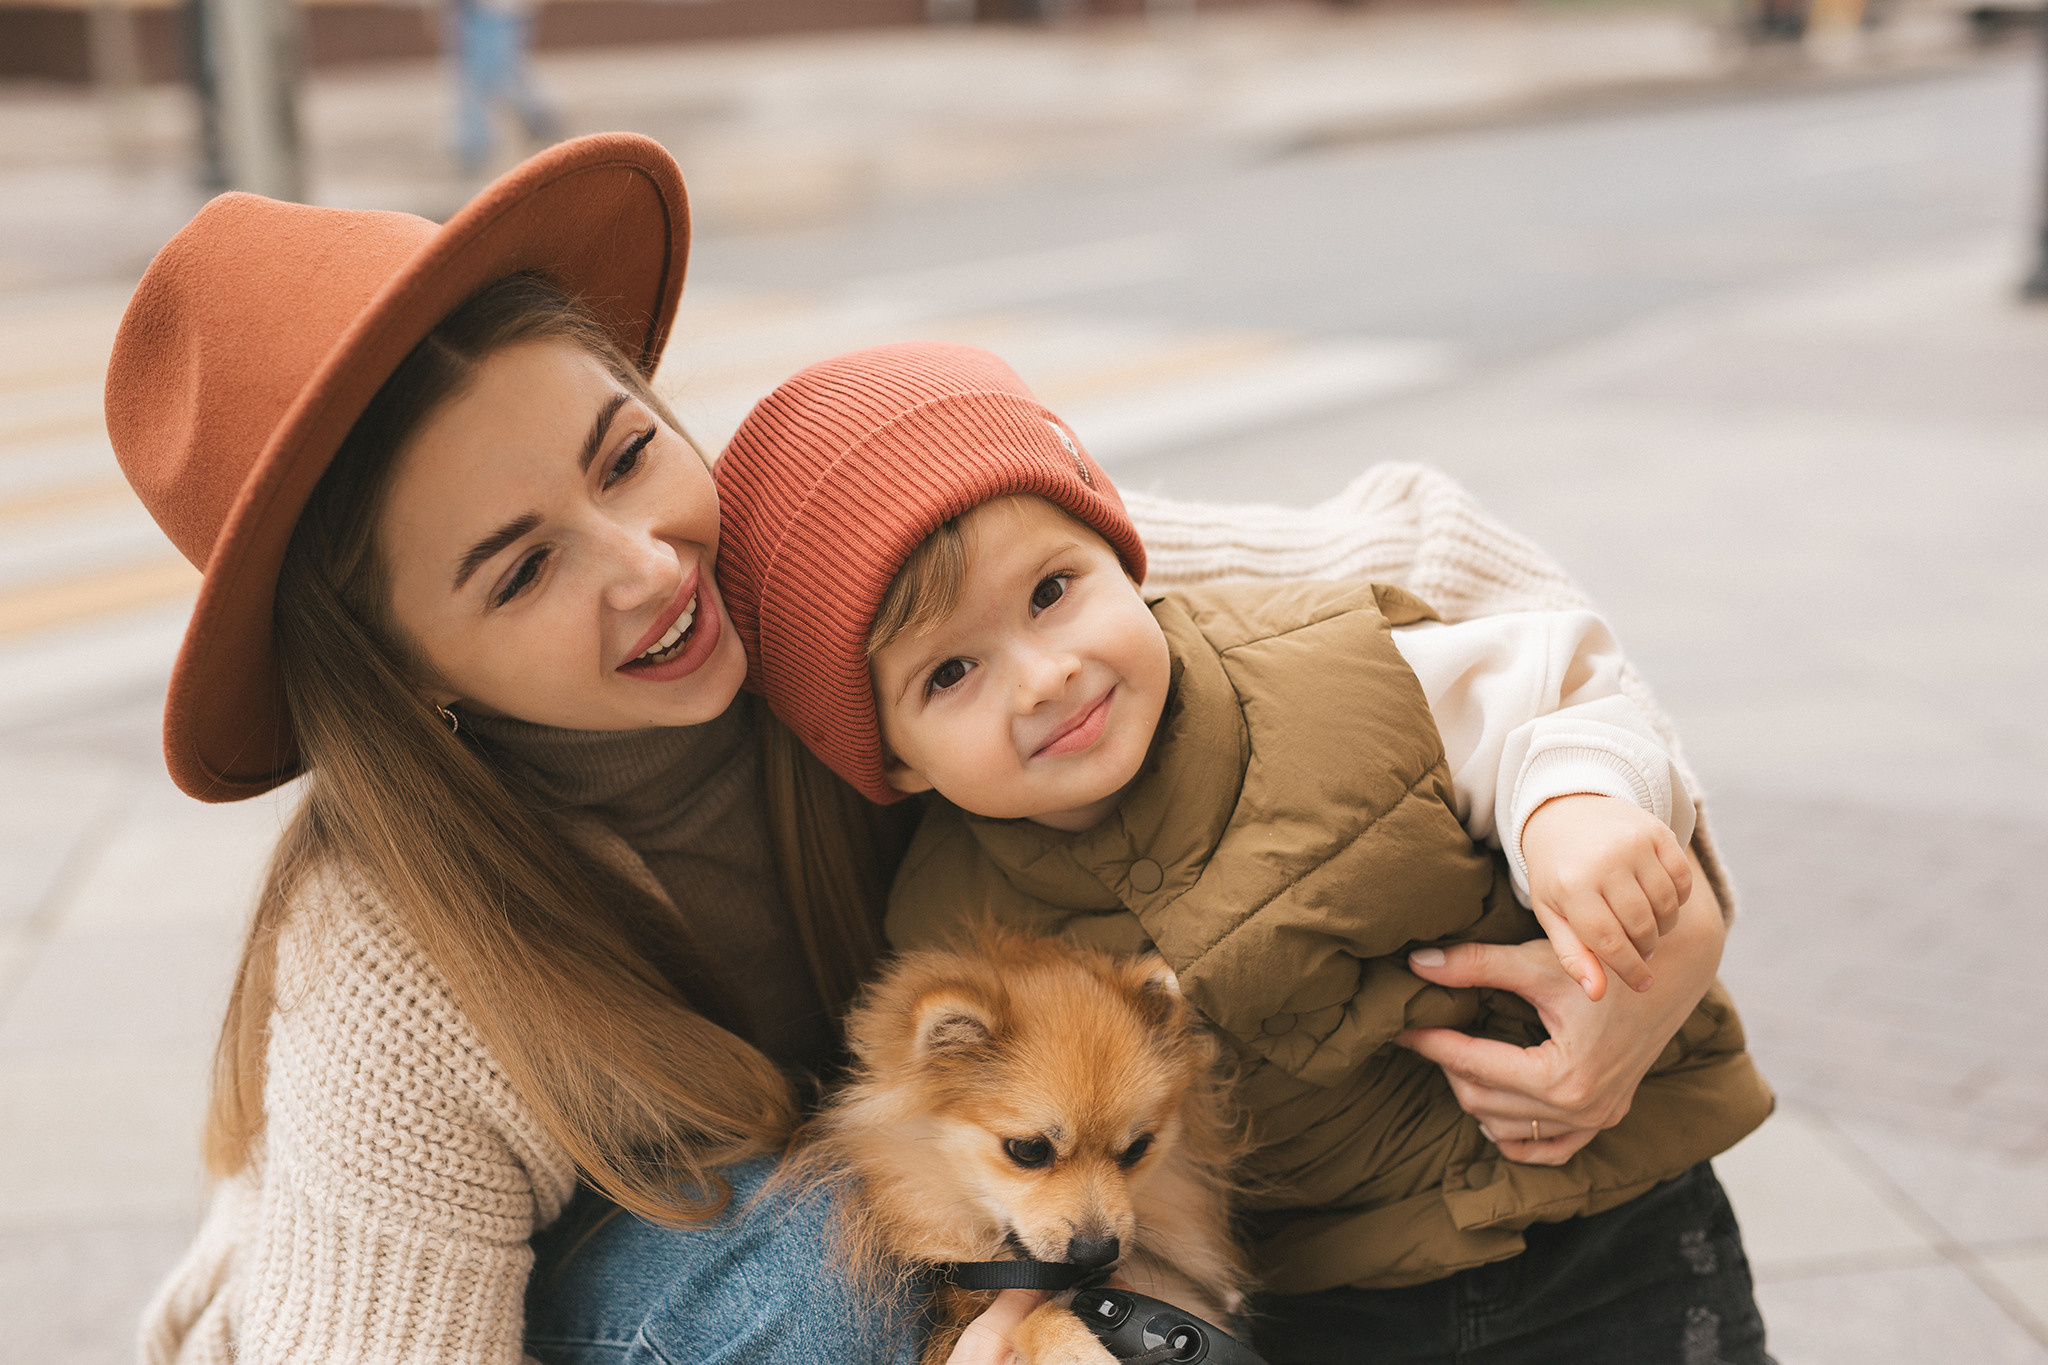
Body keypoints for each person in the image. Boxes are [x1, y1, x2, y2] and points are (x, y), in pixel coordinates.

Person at [109, 134, 1754, 1365]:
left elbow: (1419, 567)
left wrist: (1634, 884)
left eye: (624, 454)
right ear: (410, 682)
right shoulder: (391, 974)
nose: (647, 566)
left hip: (1020, 1209)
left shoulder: (865, 599)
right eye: (521, 566)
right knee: (835, 1265)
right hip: (651, 1307)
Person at [713, 341, 1775, 1361]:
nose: (1041, 676)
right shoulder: (946, 924)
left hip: (1606, 1226)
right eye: (951, 673)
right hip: (1328, 1302)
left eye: (1051, 591)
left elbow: (1549, 687)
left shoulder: (1328, 671)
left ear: (1125, 555)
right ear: (892, 762)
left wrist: (1574, 809)